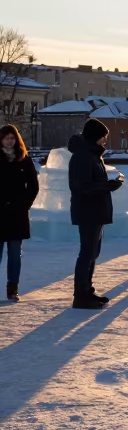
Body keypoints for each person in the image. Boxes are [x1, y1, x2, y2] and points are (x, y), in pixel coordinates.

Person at [68, 118, 124, 309]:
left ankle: (87, 291)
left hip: (94, 211)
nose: (105, 141)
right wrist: (108, 186)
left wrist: (108, 184)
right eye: (103, 137)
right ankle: (81, 295)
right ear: (94, 137)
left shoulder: (92, 155)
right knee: (87, 253)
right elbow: (80, 187)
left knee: (92, 252)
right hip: (87, 211)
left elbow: (90, 183)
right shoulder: (82, 156)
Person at [0, 123, 40, 302]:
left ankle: (12, 288)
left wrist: (25, 205)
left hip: (17, 214)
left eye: (12, 138)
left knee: (15, 254)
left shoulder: (23, 159)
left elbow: (33, 186)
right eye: (7, 138)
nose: (10, 141)